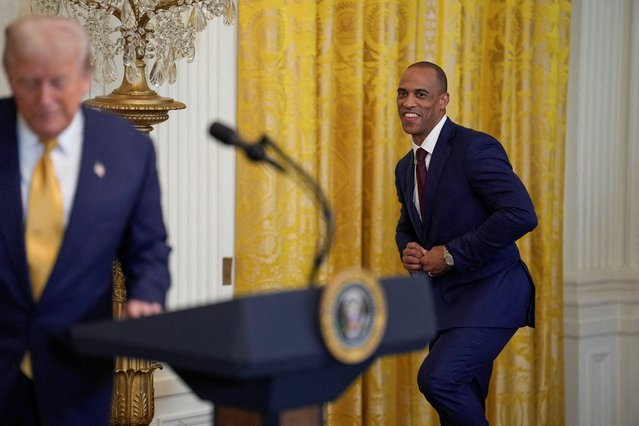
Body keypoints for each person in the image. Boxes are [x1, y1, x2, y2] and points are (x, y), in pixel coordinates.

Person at [0, 15, 171, 425]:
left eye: (58, 82)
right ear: (9, 74)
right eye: (28, 82)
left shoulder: (127, 149)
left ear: (85, 76)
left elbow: (147, 248)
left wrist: (146, 295)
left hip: (76, 373)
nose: (44, 99)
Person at [394, 61, 537, 425]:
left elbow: (519, 213)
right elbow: (408, 227)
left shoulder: (474, 147)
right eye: (403, 93)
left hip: (493, 293)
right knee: (461, 400)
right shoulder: (404, 167)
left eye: (420, 94)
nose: (408, 101)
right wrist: (408, 249)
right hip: (444, 303)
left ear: (443, 102)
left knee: (438, 379)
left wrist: (453, 254)